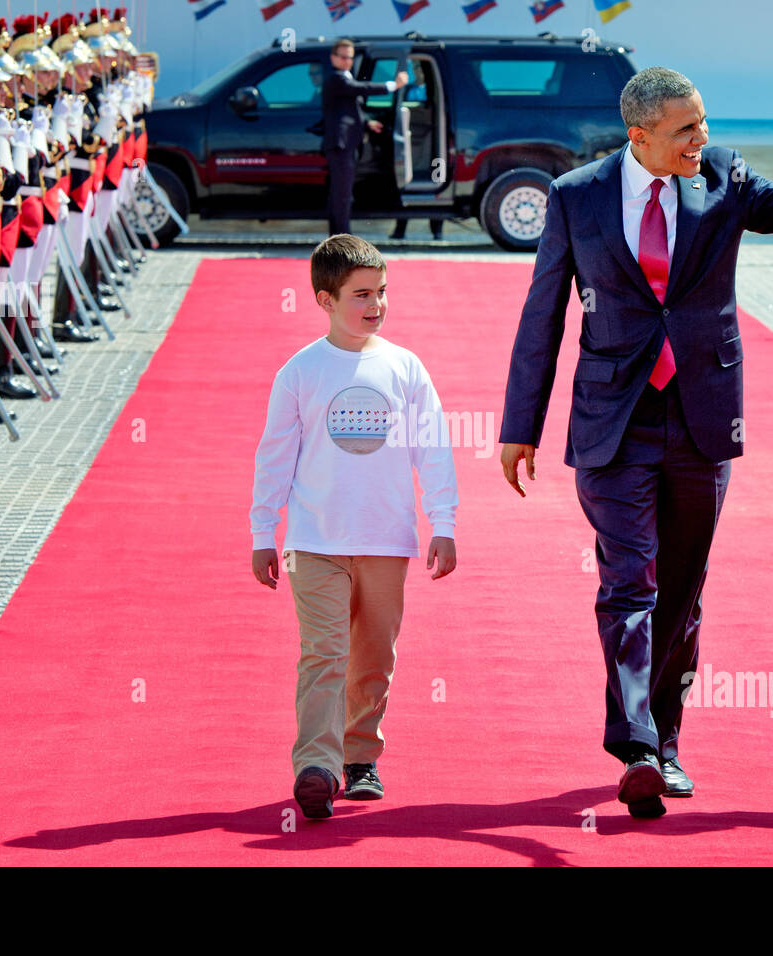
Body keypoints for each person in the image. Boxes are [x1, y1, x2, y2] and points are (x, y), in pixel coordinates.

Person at [498, 66, 773, 819]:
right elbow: (543, 318)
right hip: (614, 420)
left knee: (682, 592)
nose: (703, 138)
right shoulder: (576, 199)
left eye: (704, 122)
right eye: (686, 129)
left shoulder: (722, 174)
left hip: (701, 415)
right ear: (641, 136)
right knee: (629, 578)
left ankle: (665, 741)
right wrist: (518, 427)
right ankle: (633, 744)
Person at [250, 234, 458, 820]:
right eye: (361, 294)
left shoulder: (405, 367)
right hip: (312, 543)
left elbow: (433, 448)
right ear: (325, 299)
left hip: (386, 540)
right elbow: (274, 458)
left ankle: (360, 757)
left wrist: (442, 521)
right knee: (324, 652)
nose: (376, 305)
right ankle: (316, 765)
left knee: (373, 656)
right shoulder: (300, 372)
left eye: (382, 292)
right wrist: (263, 533)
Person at [321, 39, 406, 236]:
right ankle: (341, 238)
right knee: (341, 195)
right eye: (343, 57)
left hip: (346, 144)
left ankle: (338, 235)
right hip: (340, 145)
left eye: (350, 57)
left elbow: (348, 107)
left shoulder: (344, 78)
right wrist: (394, 85)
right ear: (333, 58)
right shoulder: (337, 78)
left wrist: (367, 122)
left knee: (341, 194)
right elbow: (362, 88)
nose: (347, 61)